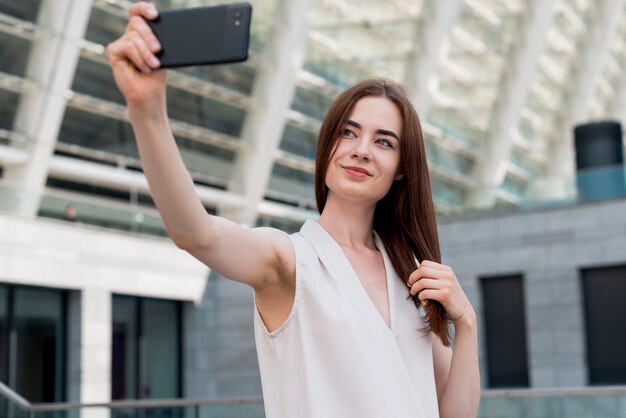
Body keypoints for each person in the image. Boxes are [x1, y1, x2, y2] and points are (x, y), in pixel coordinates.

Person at [106, 3, 480, 417]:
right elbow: (197, 233)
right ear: (328, 148)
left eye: (383, 141)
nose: (360, 150)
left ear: (401, 171)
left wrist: (466, 325)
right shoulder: (290, 261)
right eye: (348, 132)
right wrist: (147, 108)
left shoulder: (408, 274)